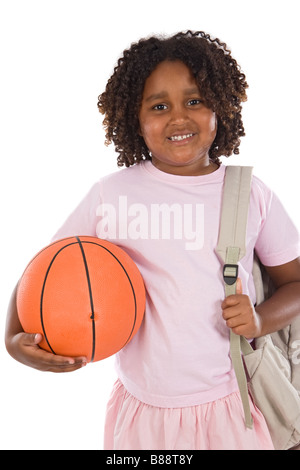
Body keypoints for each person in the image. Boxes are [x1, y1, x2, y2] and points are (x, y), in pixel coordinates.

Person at [5, 31, 300, 450]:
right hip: (141, 412)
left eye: (195, 101)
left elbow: (294, 283)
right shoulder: (112, 194)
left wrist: (259, 321)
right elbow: (46, 268)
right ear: (134, 118)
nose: (179, 117)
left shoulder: (248, 193)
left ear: (222, 104)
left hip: (230, 407)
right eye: (159, 106)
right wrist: (14, 339)